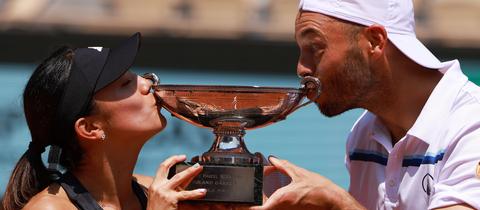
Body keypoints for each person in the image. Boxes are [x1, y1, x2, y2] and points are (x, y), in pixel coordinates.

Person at [251, 0, 480, 209]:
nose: (301, 68)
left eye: (315, 48)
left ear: (375, 41)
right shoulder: (364, 133)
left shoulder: (472, 123)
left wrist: (337, 202)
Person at [1, 32, 207, 210]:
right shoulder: (49, 207)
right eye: (126, 84)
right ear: (90, 127)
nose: (149, 83)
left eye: (139, 76)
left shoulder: (157, 191)